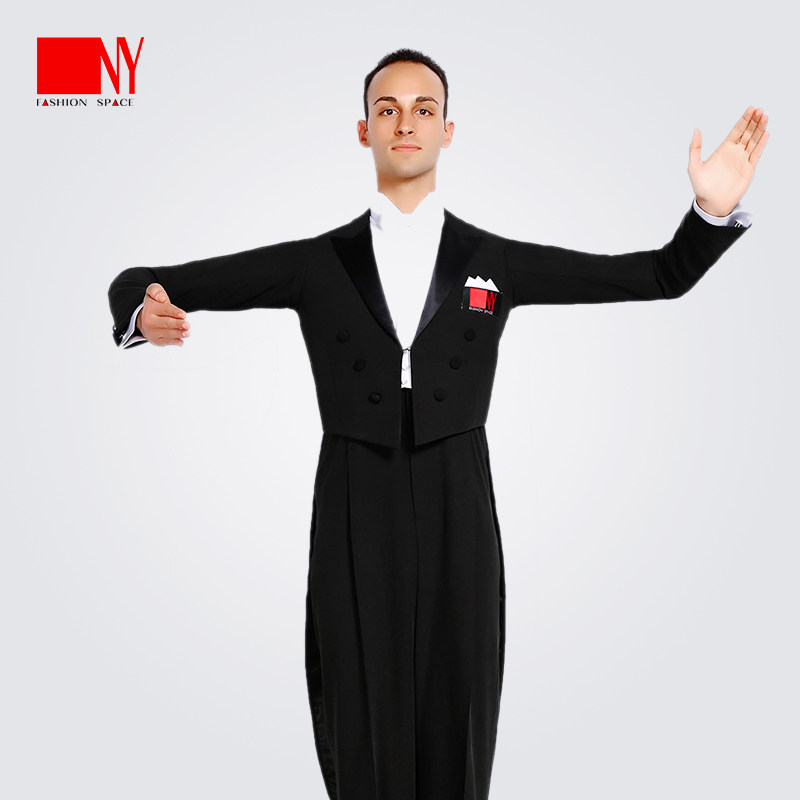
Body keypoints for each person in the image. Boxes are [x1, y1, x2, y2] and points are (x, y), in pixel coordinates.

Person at [107, 48, 769, 800]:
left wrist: (709, 212)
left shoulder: (496, 262)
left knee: (461, 697)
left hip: (459, 490)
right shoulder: (313, 263)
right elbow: (139, 281)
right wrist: (141, 315)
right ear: (363, 130)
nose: (406, 122)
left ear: (448, 130)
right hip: (354, 490)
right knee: (356, 696)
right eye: (387, 108)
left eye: (424, 109)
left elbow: (657, 275)